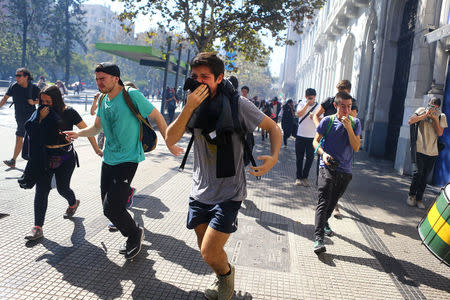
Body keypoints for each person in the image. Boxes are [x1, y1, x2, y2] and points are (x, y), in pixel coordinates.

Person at [166, 52, 281, 300]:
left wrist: (273, 158)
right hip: (200, 189)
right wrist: (189, 107)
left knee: (209, 252)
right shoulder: (191, 104)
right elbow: (170, 138)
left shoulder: (238, 104)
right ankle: (221, 274)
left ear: (219, 78)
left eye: (204, 77)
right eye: (194, 76)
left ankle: (226, 276)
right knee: (205, 250)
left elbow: (274, 128)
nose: (198, 82)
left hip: (230, 191)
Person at [64, 62, 183, 260]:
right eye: (97, 79)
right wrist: (78, 133)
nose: (99, 83)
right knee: (107, 209)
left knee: (113, 207)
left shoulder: (132, 95)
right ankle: (133, 234)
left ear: (115, 78)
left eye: (102, 79)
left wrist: (169, 143)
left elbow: (158, 117)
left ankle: (134, 234)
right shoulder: (103, 99)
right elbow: (96, 128)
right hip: (109, 159)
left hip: (128, 159)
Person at [24, 85, 102, 240]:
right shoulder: (39, 113)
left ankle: (73, 202)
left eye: (48, 101)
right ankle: (37, 227)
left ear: (57, 100)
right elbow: (32, 132)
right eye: (42, 101)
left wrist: (97, 150)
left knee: (62, 188)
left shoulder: (69, 112)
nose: (45, 104)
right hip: (45, 157)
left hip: (65, 156)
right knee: (42, 190)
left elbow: (87, 131)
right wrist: (39, 119)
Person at [312, 92, 361, 254]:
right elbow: (315, 141)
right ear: (336, 106)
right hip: (327, 166)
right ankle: (318, 239)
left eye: (349, 106)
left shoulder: (355, 123)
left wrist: (348, 128)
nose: (346, 110)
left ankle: (323, 224)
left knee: (332, 204)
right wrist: (323, 154)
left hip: (345, 171)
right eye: (343, 106)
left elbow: (356, 147)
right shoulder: (327, 121)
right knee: (324, 200)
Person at [312, 79, 358, 218]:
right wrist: (321, 129)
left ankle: (334, 205)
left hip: (343, 143)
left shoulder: (352, 103)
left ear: (349, 92)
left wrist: (347, 124)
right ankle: (323, 203)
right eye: (339, 92)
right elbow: (316, 115)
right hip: (327, 141)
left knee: (338, 178)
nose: (341, 97)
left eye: (344, 93)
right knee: (323, 176)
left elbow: (354, 121)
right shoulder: (330, 100)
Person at [407, 97, 447, 208]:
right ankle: (411, 196)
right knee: (417, 173)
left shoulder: (441, 116)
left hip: (432, 151)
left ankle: (419, 199)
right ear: (428, 104)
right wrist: (425, 115)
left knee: (424, 177)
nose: (432, 108)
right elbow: (410, 121)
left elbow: (440, 133)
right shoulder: (421, 111)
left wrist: (434, 118)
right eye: (430, 105)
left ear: (438, 108)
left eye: (435, 107)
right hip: (419, 148)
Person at [0, 68, 40, 168]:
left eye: (19, 76)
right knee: (19, 137)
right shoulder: (14, 86)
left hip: (32, 117)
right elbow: (5, 98)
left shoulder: (34, 88)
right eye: (16, 75)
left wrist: (34, 102)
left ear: (26, 77)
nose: (16, 78)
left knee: (30, 139)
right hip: (19, 117)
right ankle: (13, 161)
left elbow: (44, 100)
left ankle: (35, 161)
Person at [295, 89, 321, 187]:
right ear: (306, 97)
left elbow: (322, 119)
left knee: (310, 158)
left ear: (315, 96)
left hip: (312, 137)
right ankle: (298, 177)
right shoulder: (301, 104)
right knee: (299, 158)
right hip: (300, 135)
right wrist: (307, 105)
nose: (311, 99)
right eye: (309, 97)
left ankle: (305, 177)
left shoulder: (318, 106)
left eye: (312, 97)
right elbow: (298, 114)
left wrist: (315, 117)